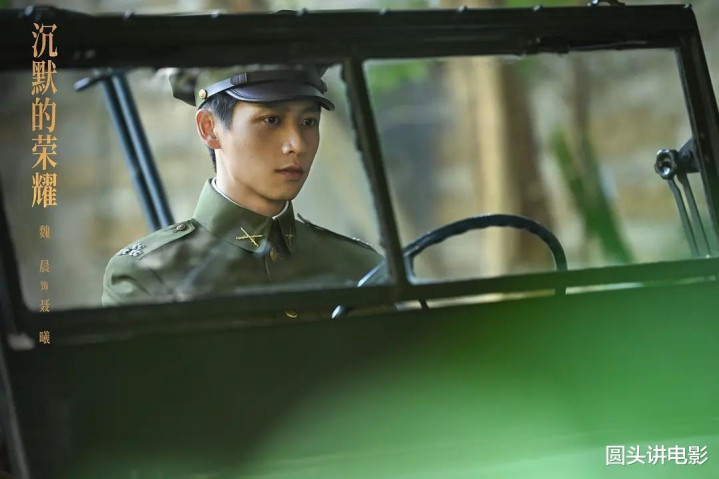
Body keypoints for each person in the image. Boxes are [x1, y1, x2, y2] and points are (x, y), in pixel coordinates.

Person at [102, 64, 383, 316]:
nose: (297, 145)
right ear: (209, 128)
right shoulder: (149, 277)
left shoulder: (360, 266)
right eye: (271, 120)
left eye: (308, 122)